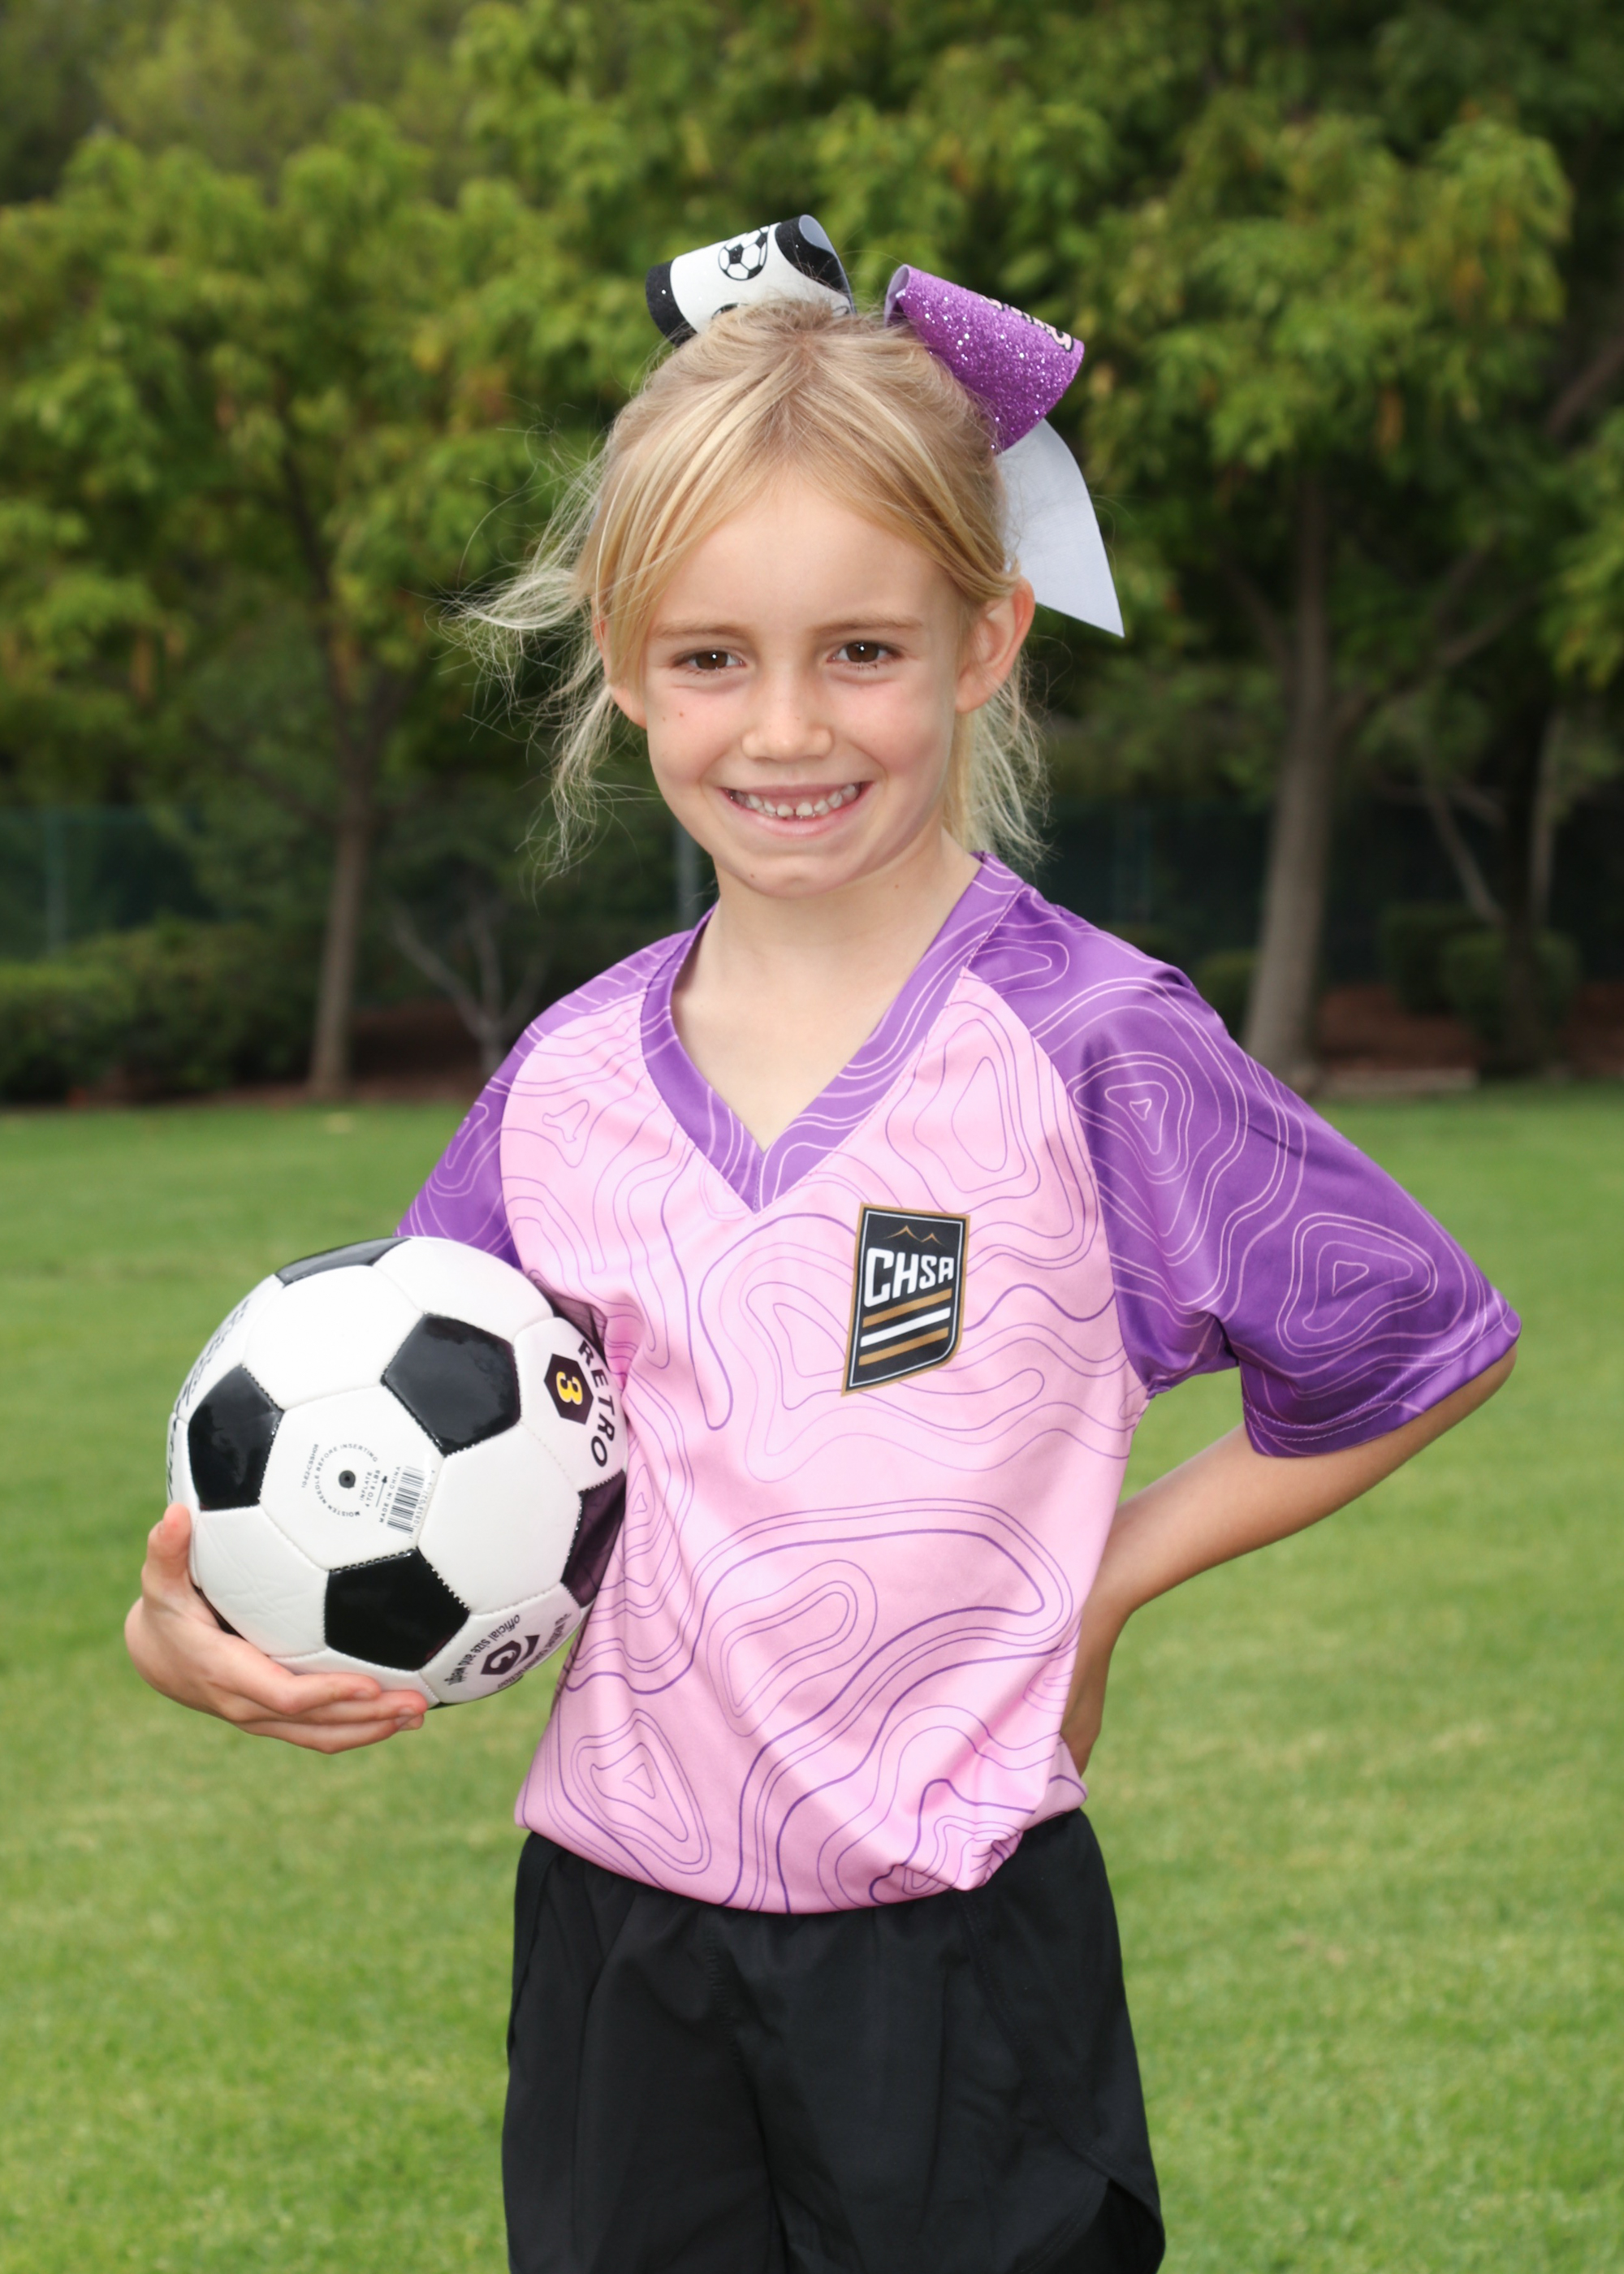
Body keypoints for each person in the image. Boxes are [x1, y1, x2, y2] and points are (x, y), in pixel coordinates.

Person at [127, 221, 1519, 2274]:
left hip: (959, 1949)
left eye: (861, 648)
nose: (785, 726)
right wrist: (186, 1625)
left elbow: (1410, 1342)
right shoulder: (566, 1081)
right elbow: (386, 1424)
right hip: (617, 1947)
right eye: (711, 657)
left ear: (984, 640)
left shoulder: (1090, 1045)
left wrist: (1101, 1581)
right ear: (624, 660)